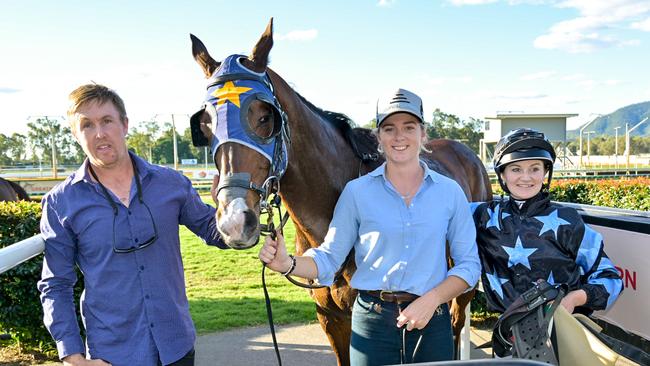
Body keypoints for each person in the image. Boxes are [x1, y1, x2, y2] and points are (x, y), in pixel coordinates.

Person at [259, 88, 480, 365]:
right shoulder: (357, 193)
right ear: (378, 137)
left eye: (408, 127)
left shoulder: (450, 192)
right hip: (373, 323)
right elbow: (328, 258)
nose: (399, 136)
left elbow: (469, 265)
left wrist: (432, 299)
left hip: (431, 320)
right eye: (389, 128)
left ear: (423, 134)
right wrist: (287, 263)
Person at [38, 84, 228, 366]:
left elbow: (217, 234)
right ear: (76, 135)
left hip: (176, 346)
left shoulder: (171, 183)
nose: (100, 133)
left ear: (125, 125)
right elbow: (56, 283)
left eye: (107, 121)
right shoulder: (60, 202)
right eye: (87, 125)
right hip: (112, 354)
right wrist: (72, 357)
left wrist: (230, 209)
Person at [472, 128, 623, 317]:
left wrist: (573, 298)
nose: (526, 177)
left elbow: (611, 279)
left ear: (545, 172)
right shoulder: (483, 215)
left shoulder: (568, 219)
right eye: (516, 169)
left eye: (535, 169)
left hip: (561, 333)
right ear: (502, 174)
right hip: (507, 335)